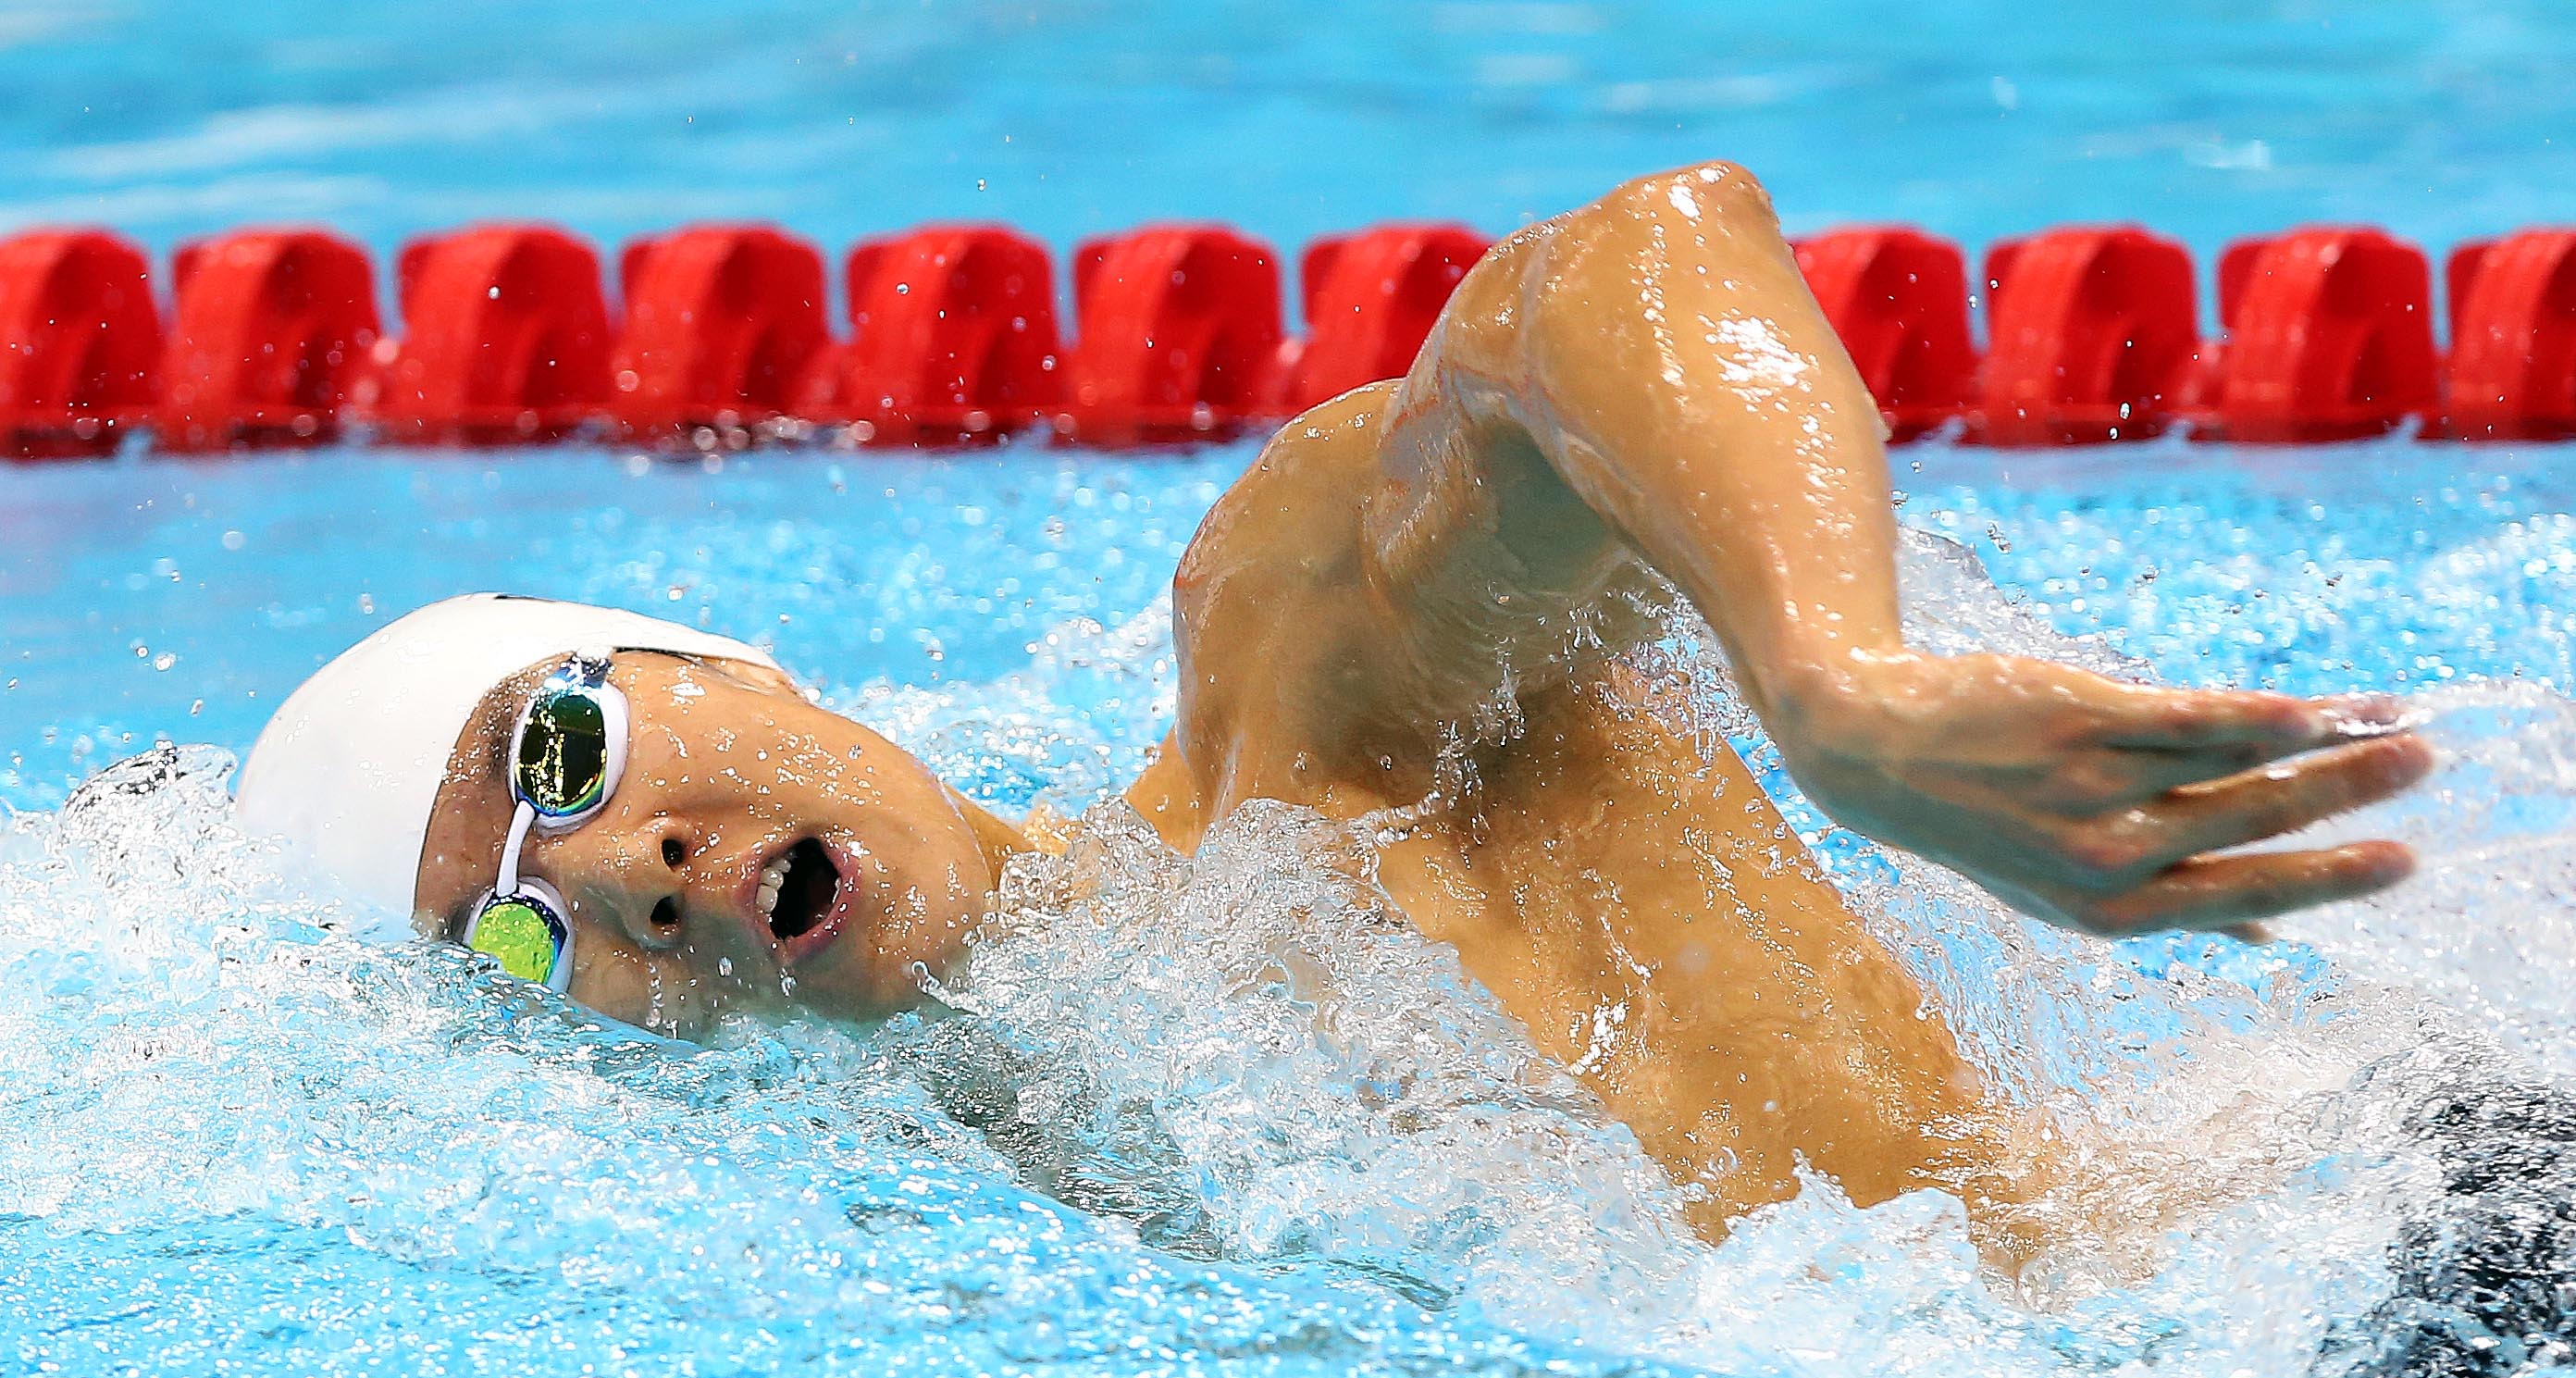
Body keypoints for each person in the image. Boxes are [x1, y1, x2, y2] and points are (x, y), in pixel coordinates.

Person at [236, 163, 2433, 1271]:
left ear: (733, 664)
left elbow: (1626, 272)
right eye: (524, 931)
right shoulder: (1063, 1200)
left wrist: (1834, 676)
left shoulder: (1286, 720)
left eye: (568, 761)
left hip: (2418, 1262)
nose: (624, 875)